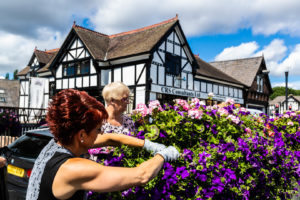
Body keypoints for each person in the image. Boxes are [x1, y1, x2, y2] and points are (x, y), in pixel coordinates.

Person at [26, 89, 179, 200]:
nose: (100, 134)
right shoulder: (72, 169)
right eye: (98, 129)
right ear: (81, 135)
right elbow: (141, 175)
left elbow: (111, 138)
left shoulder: (57, 143)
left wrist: (148, 145)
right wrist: (163, 155)